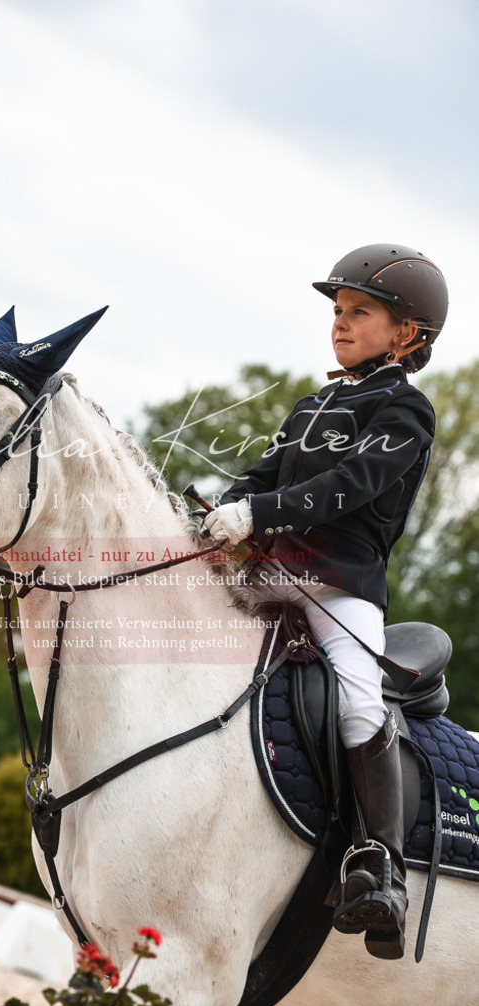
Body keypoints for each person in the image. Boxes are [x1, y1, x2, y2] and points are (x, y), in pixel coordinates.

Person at [204, 244, 448, 960]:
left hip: (339, 584)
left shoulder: (405, 408)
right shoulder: (316, 403)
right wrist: (221, 507)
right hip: (267, 575)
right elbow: (263, 472)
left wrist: (261, 514)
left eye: (359, 313)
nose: (340, 324)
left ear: (409, 334)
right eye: (338, 312)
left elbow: (348, 486)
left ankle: (383, 866)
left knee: (358, 700)